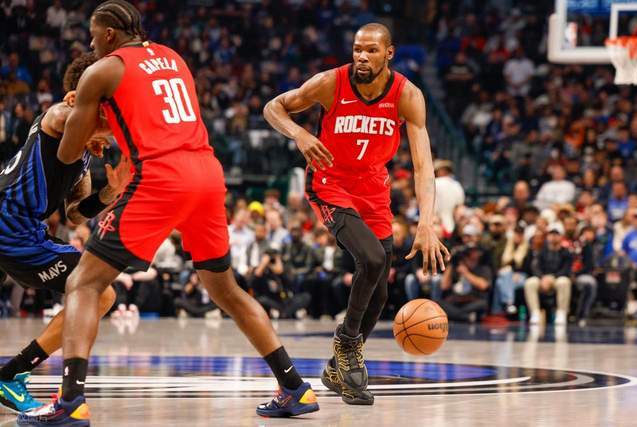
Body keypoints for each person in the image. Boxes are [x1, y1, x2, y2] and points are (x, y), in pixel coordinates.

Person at [18, 2, 318, 425]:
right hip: (207, 174)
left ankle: (69, 402)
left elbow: (67, 152)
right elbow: (157, 115)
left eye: (93, 34)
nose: (90, 42)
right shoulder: (173, 58)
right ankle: (295, 387)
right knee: (227, 290)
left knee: (84, 283)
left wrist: (88, 120)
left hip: (161, 178)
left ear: (108, 34)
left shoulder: (102, 70)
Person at [264, 22, 449, 404]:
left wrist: (426, 223)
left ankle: (337, 369)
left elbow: (423, 167)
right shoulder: (329, 83)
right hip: (330, 183)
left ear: (389, 53)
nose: (362, 56)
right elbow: (273, 107)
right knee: (372, 257)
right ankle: (347, 343)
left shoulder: (407, 95)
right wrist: (300, 134)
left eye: (371, 50)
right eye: (357, 49)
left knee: (380, 289)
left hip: (373, 189)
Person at [0, 53, 129, 413]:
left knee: (97, 292)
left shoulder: (83, 153)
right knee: (98, 292)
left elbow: (74, 214)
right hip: (11, 225)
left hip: (20, 228)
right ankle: (11, 374)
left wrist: (110, 192)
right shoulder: (58, 115)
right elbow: (69, 118)